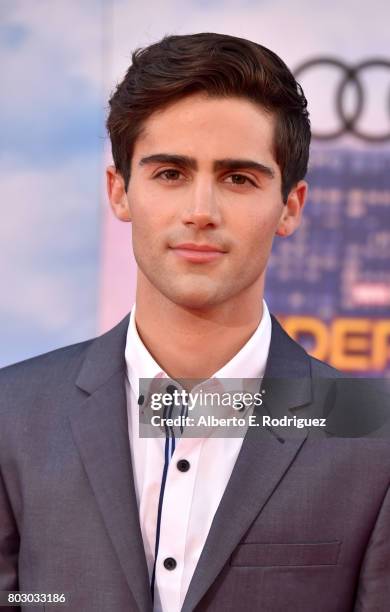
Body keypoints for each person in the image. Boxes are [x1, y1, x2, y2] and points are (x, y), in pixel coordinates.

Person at [0, 32, 389, 612]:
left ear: (290, 206)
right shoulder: (14, 415)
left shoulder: (372, 437)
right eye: (170, 173)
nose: (201, 212)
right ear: (120, 190)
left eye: (239, 178)